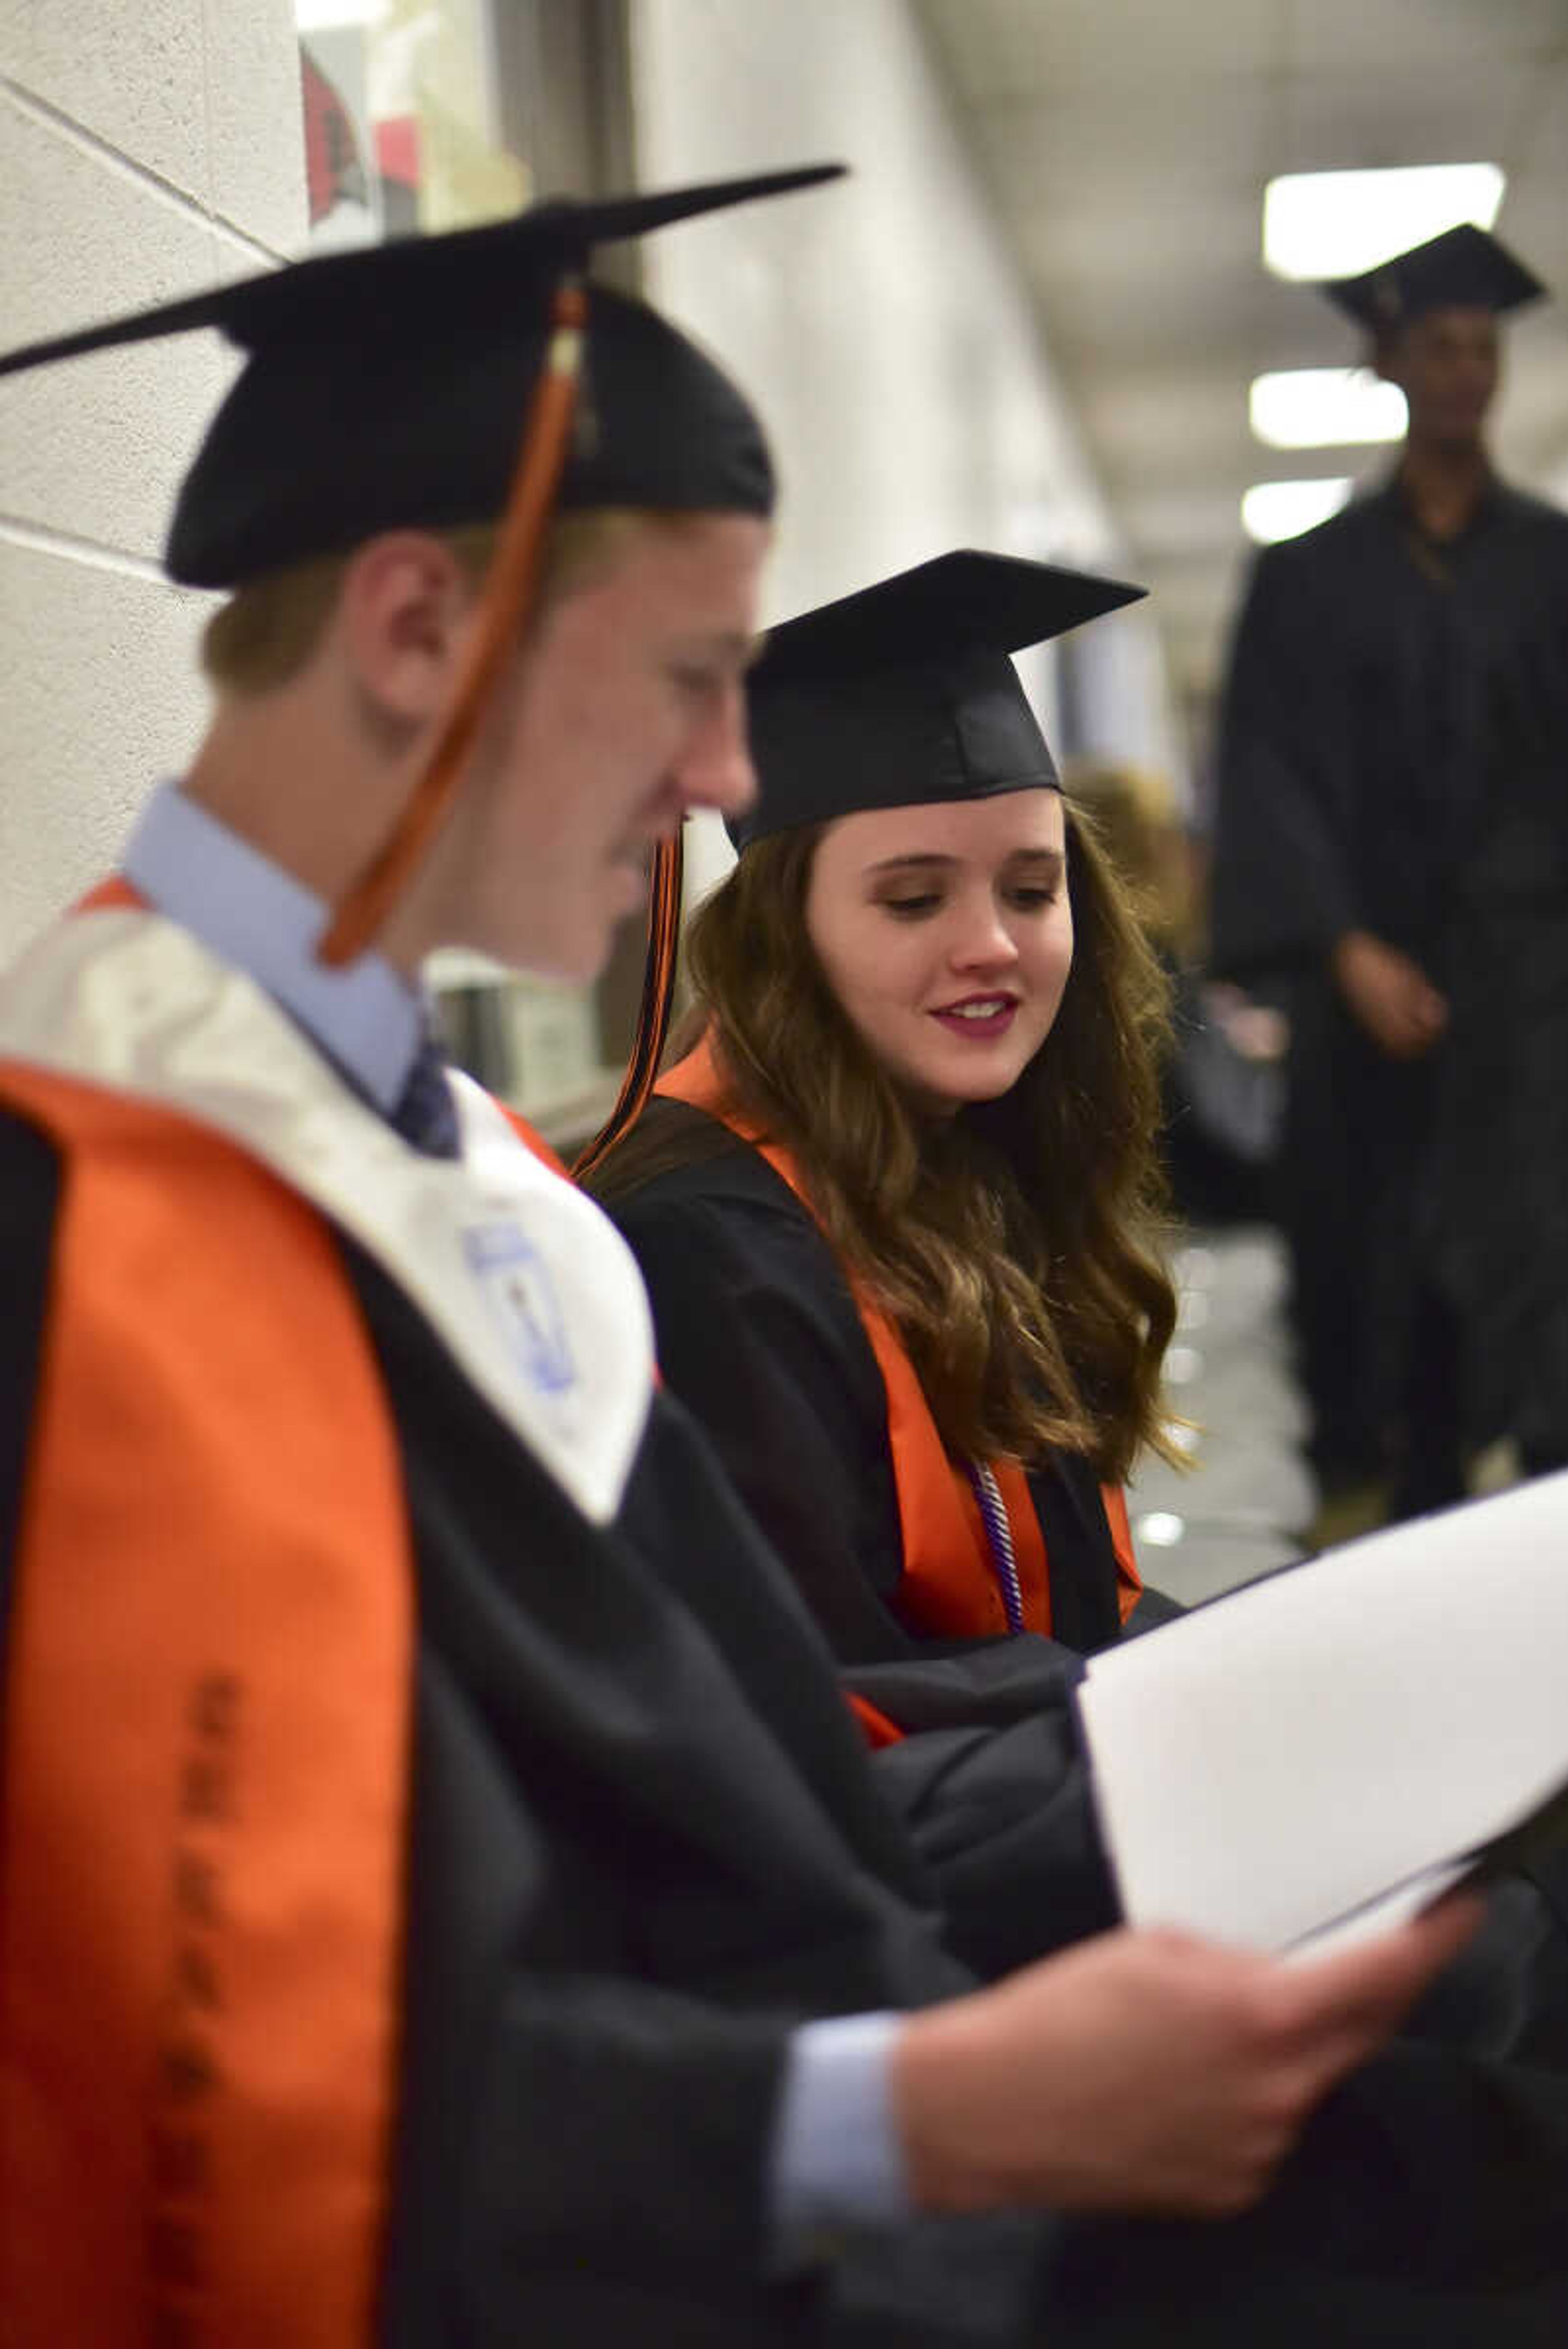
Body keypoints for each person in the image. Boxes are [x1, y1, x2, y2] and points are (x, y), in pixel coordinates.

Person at [0, 186, 1561, 2349]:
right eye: (690, 676)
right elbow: (292, 2065)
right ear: (415, 632)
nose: (731, 773)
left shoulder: (451, 1183)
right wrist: (936, 2103)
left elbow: (746, 1803)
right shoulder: (107, 1236)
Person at [1209, 223, 1568, 1519]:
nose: (1466, 370)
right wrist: (1344, 945)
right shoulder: (1305, 579)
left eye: (1484, 347)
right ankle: (1379, 1536)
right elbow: (1263, 776)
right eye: (1439, 346)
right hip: (1363, 1022)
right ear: (1390, 361)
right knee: (1371, 1295)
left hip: (1531, 1020)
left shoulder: (1555, 564)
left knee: (1537, 1297)